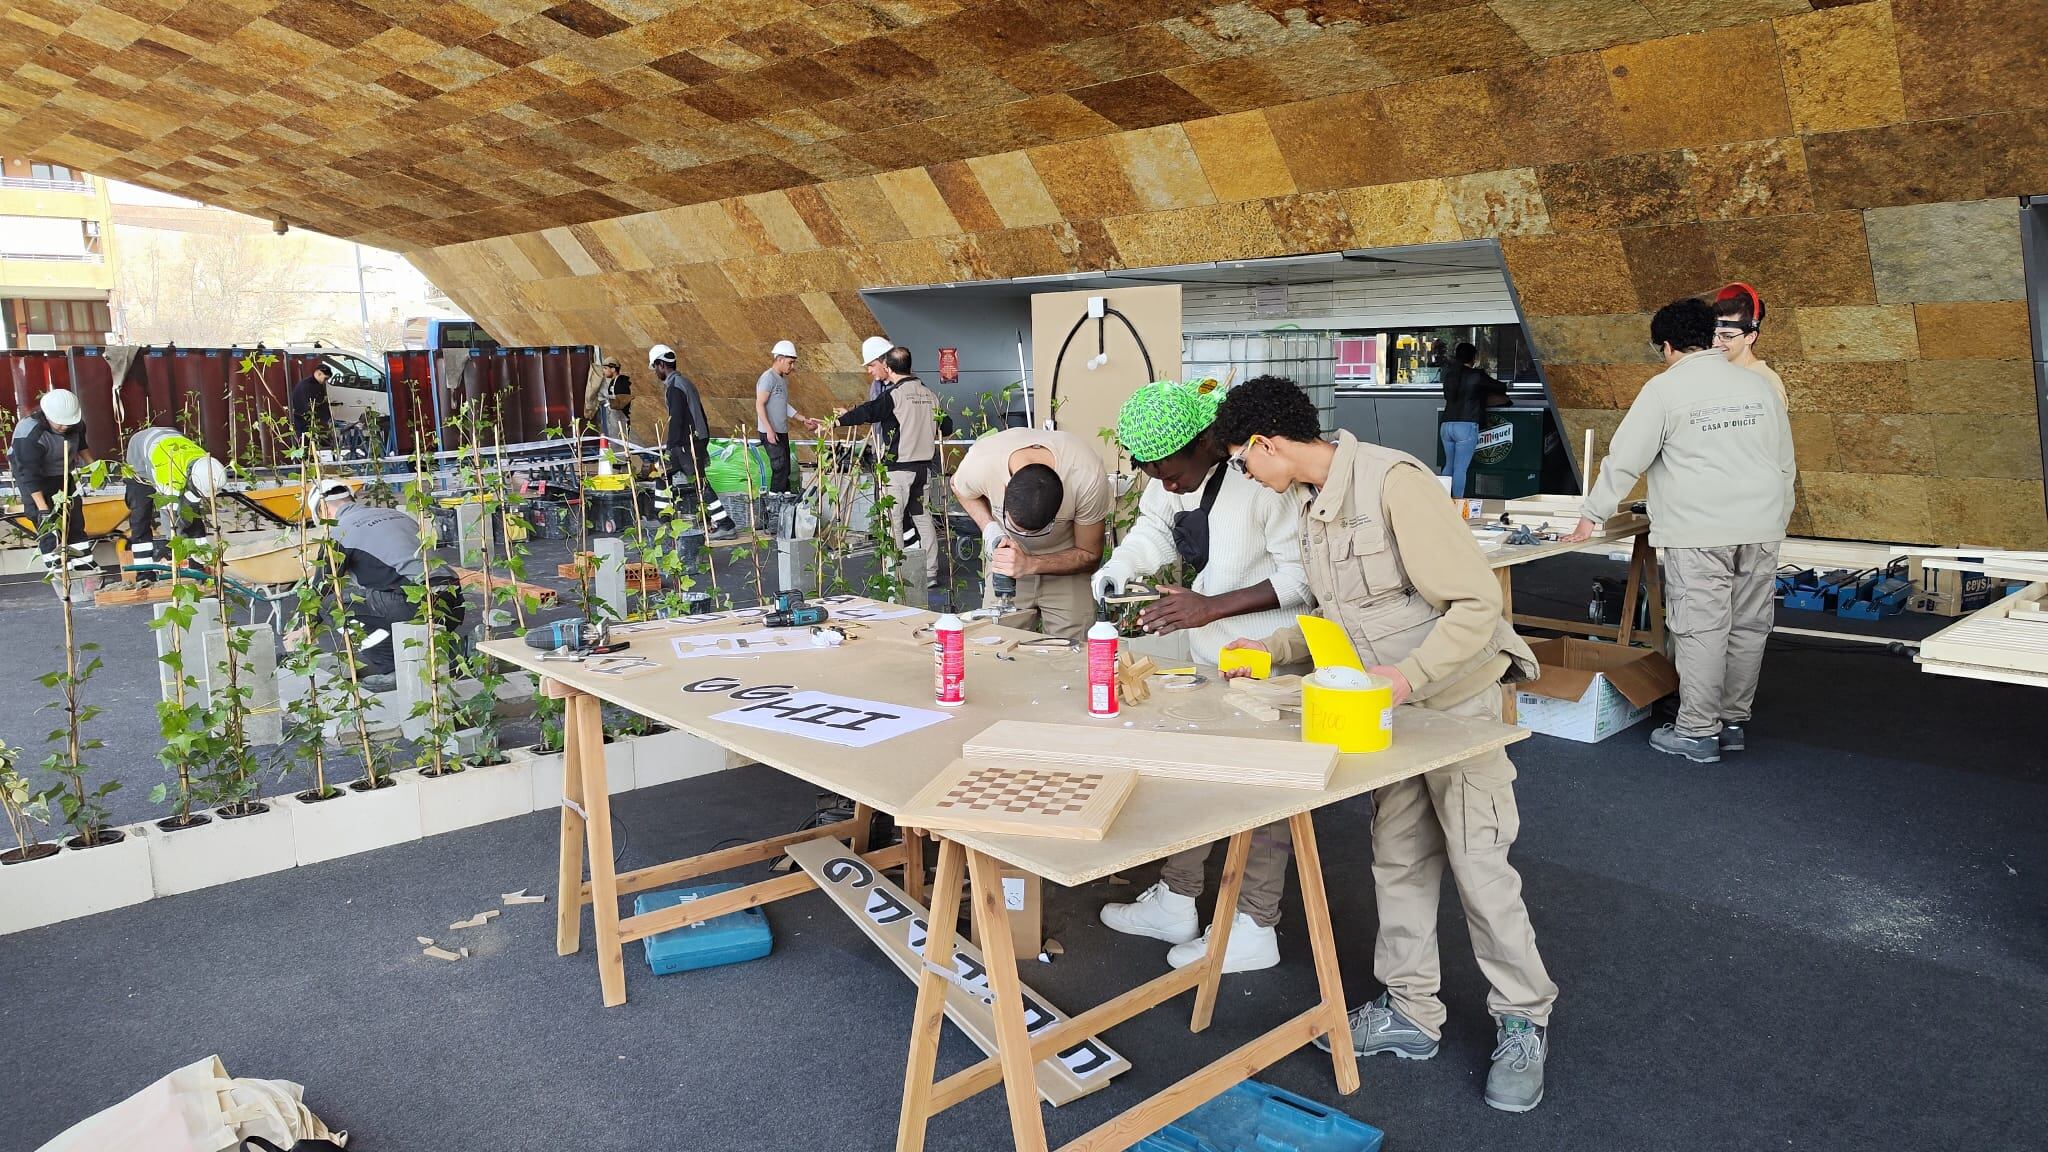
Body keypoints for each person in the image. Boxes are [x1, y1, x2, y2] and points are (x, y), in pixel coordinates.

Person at [1212, 376, 1555, 1114]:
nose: (1247, 476)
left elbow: (1475, 605)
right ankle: (1411, 1011)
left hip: (1456, 703)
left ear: (1270, 445)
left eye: (1244, 462)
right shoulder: (1309, 504)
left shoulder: (1393, 482)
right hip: (1391, 709)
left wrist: (1407, 677)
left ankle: (1524, 1019)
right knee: (1398, 857)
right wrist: (1273, 649)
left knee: (1479, 864)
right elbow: (1342, 620)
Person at [1090, 379, 1312, 974]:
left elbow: (1302, 580)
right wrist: (1119, 569)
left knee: (1262, 789)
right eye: (1153, 474)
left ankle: (1253, 925)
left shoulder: (1267, 480)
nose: (1165, 484)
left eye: (1170, 470)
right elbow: (1154, 529)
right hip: (1209, 656)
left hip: (1271, 657)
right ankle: (1178, 898)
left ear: (1209, 440)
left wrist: (1208, 606)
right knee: (1195, 775)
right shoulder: (1172, 481)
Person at [1566, 297, 1796, 763]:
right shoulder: (1760, 387)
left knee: (1702, 628)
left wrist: (1592, 514)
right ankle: (1731, 721)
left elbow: (1626, 458)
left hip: (1700, 530)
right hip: (1762, 526)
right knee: (1749, 626)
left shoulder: (1664, 390)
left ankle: (1696, 730)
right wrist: (1775, 516)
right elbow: (1784, 463)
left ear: (1667, 346)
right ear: (1712, 336)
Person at [952, 424, 1110, 643]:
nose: (1025, 537)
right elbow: (959, 487)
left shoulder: (1086, 476)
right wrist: (990, 527)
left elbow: (1090, 554)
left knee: (1073, 656)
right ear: (1005, 489)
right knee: (997, 647)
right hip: (1006, 567)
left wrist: (1030, 564)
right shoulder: (983, 460)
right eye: (1016, 526)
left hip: (1066, 566)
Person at [309, 480, 465, 691]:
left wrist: (306, 627)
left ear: (323, 509)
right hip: (453, 600)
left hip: (414, 606)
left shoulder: (338, 533)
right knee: (384, 590)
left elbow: (322, 588)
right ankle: (447, 651)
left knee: (333, 604)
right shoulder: (398, 515)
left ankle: (393, 668)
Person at [836, 342, 948, 589]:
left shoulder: (894, 396)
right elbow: (947, 426)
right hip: (923, 469)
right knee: (923, 519)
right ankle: (930, 572)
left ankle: (895, 574)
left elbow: (868, 412)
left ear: (888, 366)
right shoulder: (930, 395)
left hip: (898, 470)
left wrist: (836, 421)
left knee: (893, 521)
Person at [8, 390, 98, 576]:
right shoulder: (29, 434)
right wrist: (42, 508)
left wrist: (96, 468)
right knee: (48, 525)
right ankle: (59, 571)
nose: (65, 426)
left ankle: (83, 567)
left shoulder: (75, 424)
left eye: (68, 422)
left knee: (73, 518)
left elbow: (81, 446)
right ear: (46, 415)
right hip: (34, 479)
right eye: (60, 422)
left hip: (63, 474)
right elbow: (28, 475)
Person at [653, 343, 736, 540]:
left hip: (685, 442)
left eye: (655, 367)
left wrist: (670, 447)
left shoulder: (674, 388)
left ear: (660, 365)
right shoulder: (685, 383)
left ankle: (724, 525)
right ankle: (665, 519)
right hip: (696, 438)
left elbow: (677, 419)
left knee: (691, 480)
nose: (655, 372)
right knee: (667, 474)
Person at [122, 425, 226, 567]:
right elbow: (170, 516)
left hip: (170, 440)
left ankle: (199, 563)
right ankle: (145, 572)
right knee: (141, 513)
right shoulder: (167, 472)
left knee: (192, 513)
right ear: (192, 478)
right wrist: (174, 548)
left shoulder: (204, 463)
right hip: (140, 456)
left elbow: (190, 506)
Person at [1439, 342, 1509, 498]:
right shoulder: (1476, 375)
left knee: (1448, 466)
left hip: (1446, 425)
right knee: (1460, 469)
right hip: (1466, 425)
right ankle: (1457, 503)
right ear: (1473, 358)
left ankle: (1441, 502)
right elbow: (1501, 387)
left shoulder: (1449, 375)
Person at [756, 340, 817, 498]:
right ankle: (774, 501)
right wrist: (769, 430)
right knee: (779, 466)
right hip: (770, 431)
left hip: (781, 431)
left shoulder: (782, 379)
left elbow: (783, 404)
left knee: (786, 468)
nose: (792, 366)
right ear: (780, 359)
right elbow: (759, 404)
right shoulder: (767, 378)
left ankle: (785, 498)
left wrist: (802, 418)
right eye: (790, 363)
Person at [1711, 282, 1785, 407]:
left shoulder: (1765, 383)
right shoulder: (1718, 374)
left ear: (1750, 337)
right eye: (1713, 335)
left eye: (1727, 336)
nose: (1715, 343)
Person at [584, 356, 641, 450]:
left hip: (621, 420)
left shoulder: (621, 382)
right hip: (613, 421)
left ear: (613, 369)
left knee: (621, 448)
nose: (604, 371)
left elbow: (622, 401)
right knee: (615, 448)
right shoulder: (612, 382)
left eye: (606, 368)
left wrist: (609, 401)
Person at [290, 362, 331, 441]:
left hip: (303, 418)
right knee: (306, 441)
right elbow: (311, 405)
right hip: (305, 420)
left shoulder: (307, 383)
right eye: (325, 378)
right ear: (319, 374)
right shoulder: (309, 386)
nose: (325, 381)